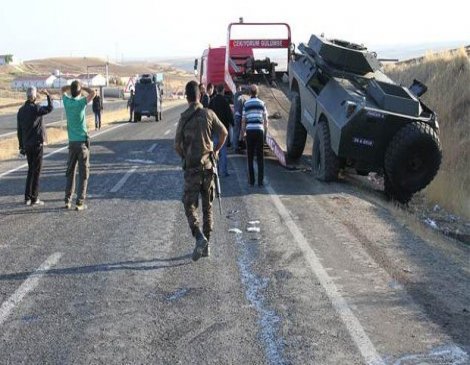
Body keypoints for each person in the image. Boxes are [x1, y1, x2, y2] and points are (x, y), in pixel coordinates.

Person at [175, 80, 228, 261]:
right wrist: (216, 150)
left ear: (187, 97)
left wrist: (186, 156)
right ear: (199, 95)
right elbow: (224, 133)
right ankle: (207, 246)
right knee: (208, 208)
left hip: (192, 170)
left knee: (189, 205)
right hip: (208, 168)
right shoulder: (209, 114)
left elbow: (176, 145)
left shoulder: (184, 117)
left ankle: (199, 237)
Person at [62, 81, 96, 211]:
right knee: (83, 174)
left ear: (71, 91)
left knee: (70, 173)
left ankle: (67, 200)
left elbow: (62, 89)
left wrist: (70, 88)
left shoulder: (67, 102)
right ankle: (80, 202)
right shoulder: (81, 103)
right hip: (82, 142)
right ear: (80, 91)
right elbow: (93, 93)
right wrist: (84, 87)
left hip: (71, 143)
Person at [17, 87, 53, 206]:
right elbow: (50, 108)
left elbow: (19, 131)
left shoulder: (21, 110)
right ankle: (34, 198)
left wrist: (21, 147)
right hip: (37, 144)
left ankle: (27, 197)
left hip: (27, 145)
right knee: (36, 171)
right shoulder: (36, 108)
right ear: (35, 96)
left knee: (30, 170)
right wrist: (48, 94)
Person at [241, 84, 269, 187]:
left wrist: (243, 132)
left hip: (250, 131)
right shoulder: (262, 103)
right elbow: (266, 120)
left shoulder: (246, 104)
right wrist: (265, 132)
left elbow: (243, 120)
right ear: (257, 93)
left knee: (250, 157)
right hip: (259, 131)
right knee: (260, 157)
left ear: (249, 93)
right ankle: (260, 182)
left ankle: (252, 181)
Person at [209, 84, 233, 177]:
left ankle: (215, 170)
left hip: (214, 130)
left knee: (214, 150)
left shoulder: (212, 101)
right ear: (222, 91)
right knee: (223, 151)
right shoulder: (225, 101)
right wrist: (233, 123)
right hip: (223, 130)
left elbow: (208, 113)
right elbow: (229, 114)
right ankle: (223, 172)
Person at [233, 84, 246, 153]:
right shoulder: (236, 95)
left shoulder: (241, 97)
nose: (240, 90)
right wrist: (248, 88)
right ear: (237, 89)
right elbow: (241, 92)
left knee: (239, 131)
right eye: (239, 89)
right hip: (237, 116)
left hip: (240, 116)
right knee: (236, 132)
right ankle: (235, 147)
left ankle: (238, 146)